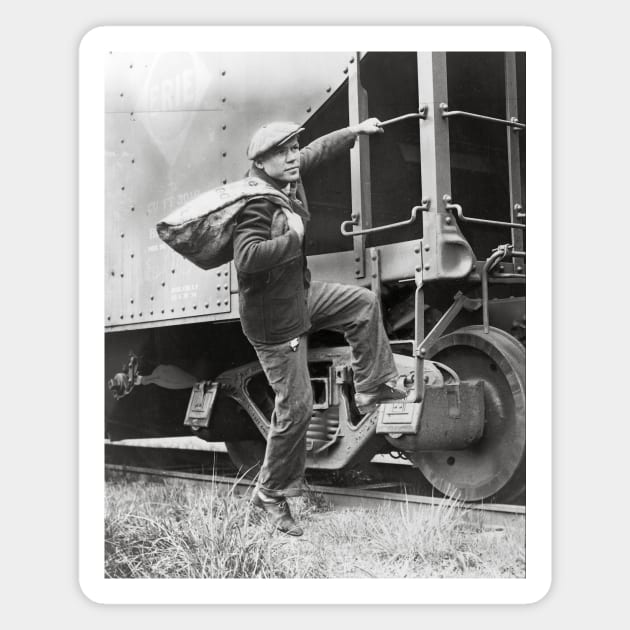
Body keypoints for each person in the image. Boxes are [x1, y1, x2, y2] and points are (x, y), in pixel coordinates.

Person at [233, 119, 406, 536]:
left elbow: (317, 151)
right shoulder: (255, 202)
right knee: (295, 407)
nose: (294, 157)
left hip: (299, 296)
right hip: (274, 321)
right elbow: (246, 257)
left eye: (295, 148)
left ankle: (371, 388)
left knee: (362, 304)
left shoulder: (286, 175)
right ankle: (270, 493)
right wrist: (293, 237)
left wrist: (355, 131)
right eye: (284, 152)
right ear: (261, 162)